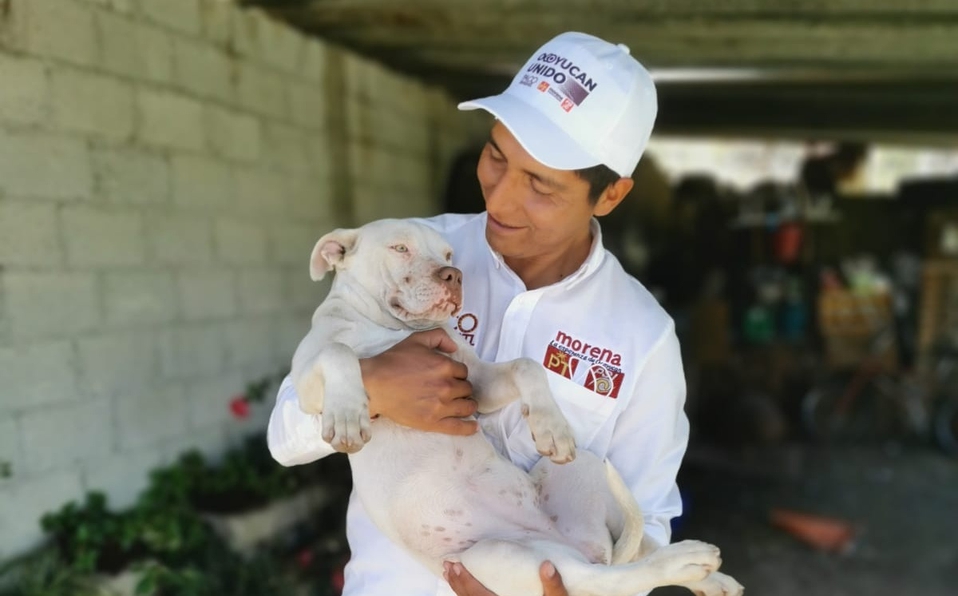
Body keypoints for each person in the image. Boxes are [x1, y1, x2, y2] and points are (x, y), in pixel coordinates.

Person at [267, 31, 690, 596]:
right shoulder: (418, 254)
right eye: (495, 156)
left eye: (539, 184)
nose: (500, 198)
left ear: (609, 196)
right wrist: (372, 386)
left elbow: (647, 519)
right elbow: (284, 436)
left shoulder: (644, 337)